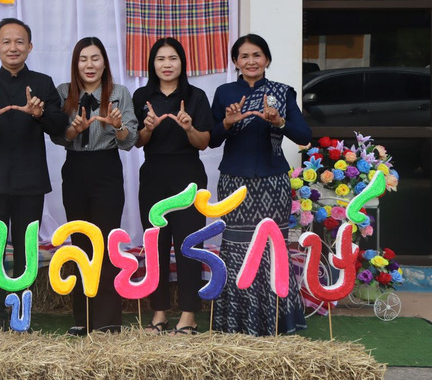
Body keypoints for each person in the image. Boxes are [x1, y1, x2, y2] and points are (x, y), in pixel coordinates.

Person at [0, 18, 67, 328]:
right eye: (6, 42)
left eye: (19, 41)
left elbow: (60, 126)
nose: (13, 47)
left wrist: (40, 114)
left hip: (30, 181)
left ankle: (22, 314)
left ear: (30, 47)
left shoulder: (43, 83)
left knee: (26, 250)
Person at [209, 33, 311, 336]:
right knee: (236, 248)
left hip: (273, 182)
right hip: (234, 182)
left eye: (257, 55)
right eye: (244, 56)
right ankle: (237, 321)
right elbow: (211, 139)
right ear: (236, 61)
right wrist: (227, 122)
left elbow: (304, 136)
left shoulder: (282, 92)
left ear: (266, 59)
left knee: (272, 248)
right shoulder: (225, 93)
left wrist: (279, 121)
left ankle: (277, 321)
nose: (251, 61)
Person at [50, 36, 137, 335]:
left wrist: (117, 126)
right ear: (76, 63)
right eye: (83, 59)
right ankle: (83, 319)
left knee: (106, 243)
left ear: (104, 62)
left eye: (95, 58)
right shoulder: (64, 93)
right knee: (81, 243)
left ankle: (108, 321)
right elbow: (57, 136)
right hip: (75, 168)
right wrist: (73, 131)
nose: (89, 65)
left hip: (106, 168)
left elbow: (130, 141)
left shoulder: (119, 93)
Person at [132, 37, 212, 335]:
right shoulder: (142, 96)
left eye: (173, 58)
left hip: (188, 177)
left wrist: (189, 127)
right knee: (156, 245)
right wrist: (148, 128)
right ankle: (159, 313)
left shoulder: (196, 96)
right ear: (152, 64)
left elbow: (204, 142)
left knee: (188, 245)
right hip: (153, 176)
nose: (167, 64)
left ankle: (189, 315)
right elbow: (136, 142)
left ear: (182, 63)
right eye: (161, 59)